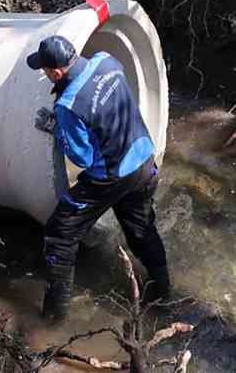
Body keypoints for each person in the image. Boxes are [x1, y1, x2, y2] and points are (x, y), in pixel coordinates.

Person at [28, 35, 171, 322]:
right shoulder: (107, 61)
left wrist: (57, 128)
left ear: (56, 73)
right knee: (141, 230)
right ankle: (165, 294)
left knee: (60, 234)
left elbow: (82, 158)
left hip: (112, 176)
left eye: (44, 70)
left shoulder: (68, 105)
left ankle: (53, 320)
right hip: (144, 160)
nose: (44, 73)